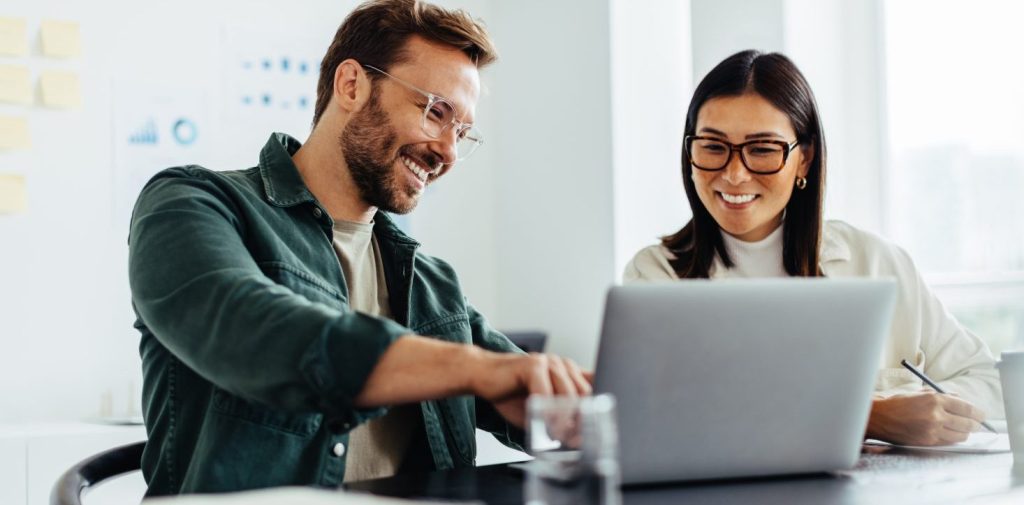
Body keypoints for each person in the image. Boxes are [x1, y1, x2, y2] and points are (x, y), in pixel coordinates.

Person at [128, 0, 590, 496]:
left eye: (462, 131)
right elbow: (254, 329)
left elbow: (522, 384)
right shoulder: (192, 203)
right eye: (436, 112)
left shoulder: (431, 283)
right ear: (352, 85)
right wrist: (477, 369)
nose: (449, 152)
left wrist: (577, 402)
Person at [623, 50, 1002, 447]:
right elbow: (661, 415)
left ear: (803, 159)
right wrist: (869, 416)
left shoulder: (875, 262)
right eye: (713, 147)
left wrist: (925, 411)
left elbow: (990, 383)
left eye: (763, 150)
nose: (734, 174)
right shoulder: (655, 277)